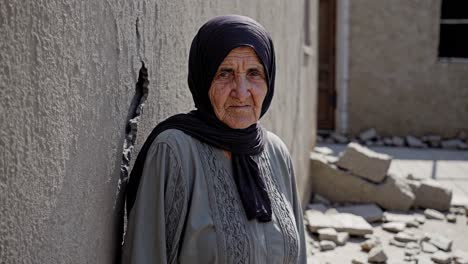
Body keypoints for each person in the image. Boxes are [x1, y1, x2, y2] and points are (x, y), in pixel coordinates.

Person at [122, 15, 306, 264]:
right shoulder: (174, 152)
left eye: (254, 73)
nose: (241, 92)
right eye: (225, 73)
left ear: (269, 80)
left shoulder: (276, 152)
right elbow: (145, 256)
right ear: (203, 78)